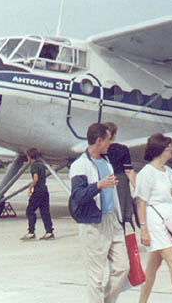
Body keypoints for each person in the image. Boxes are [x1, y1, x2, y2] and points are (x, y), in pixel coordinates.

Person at [68, 123, 127, 303]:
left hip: (112, 220)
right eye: (109, 139)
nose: (111, 143)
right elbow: (78, 196)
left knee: (123, 267)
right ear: (99, 140)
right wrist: (98, 185)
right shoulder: (80, 165)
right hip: (93, 223)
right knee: (96, 277)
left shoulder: (107, 162)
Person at [135, 134, 172, 303]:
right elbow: (141, 203)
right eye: (169, 147)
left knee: (153, 266)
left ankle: (142, 301)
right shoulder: (147, 173)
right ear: (160, 150)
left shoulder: (169, 172)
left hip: (171, 222)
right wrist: (144, 229)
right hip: (156, 223)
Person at [104, 122, 137, 225]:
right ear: (114, 135)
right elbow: (129, 171)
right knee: (123, 213)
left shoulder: (99, 150)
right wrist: (136, 187)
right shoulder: (122, 149)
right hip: (120, 182)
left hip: (104, 181)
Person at [21, 147, 54, 241]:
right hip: (45, 190)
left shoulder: (34, 166)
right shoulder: (41, 164)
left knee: (30, 211)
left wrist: (30, 187)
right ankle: (49, 231)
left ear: (29, 156)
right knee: (45, 212)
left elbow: (35, 178)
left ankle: (31, 232)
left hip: (38, 191)